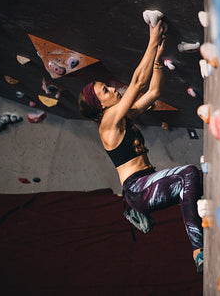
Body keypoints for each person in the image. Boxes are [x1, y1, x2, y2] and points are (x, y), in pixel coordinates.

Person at [78, 21, 204, 273]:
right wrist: (152, 40)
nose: (113, 88)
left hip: (145, 185)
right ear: (100, 106)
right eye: (106, 90)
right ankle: (199, 251)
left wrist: (158, 61)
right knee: (188, 173)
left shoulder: (122, 119)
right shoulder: (107, 124)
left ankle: (204, 228)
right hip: (137, 190)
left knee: (192, 181)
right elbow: (137, 83)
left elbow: (154, 91)